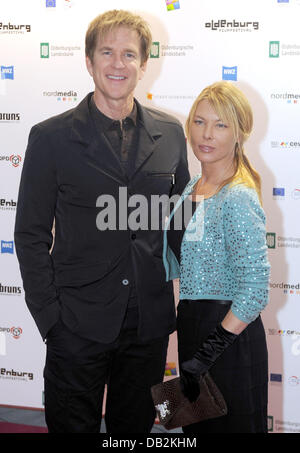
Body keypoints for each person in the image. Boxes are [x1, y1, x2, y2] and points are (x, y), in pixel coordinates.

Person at [14, 10, 190, 433]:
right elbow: (30, 233)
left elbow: (182, 224)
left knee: (132, 433)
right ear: (89, 61)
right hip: (75, 324)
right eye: (106, 52)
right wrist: (50, 319)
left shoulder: (170, 132)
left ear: (144, 65)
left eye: (129, 54)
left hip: (147, 328)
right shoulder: (50, 137)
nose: (118, 63)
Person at [163, 81, 270, 433]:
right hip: (193, 332)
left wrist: (206, 354)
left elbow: (254, 290)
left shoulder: (237, 197)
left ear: (239, 134)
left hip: (230, 343)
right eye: (199, 121)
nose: (206, 134)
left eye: (220, 125)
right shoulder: (192, 187)